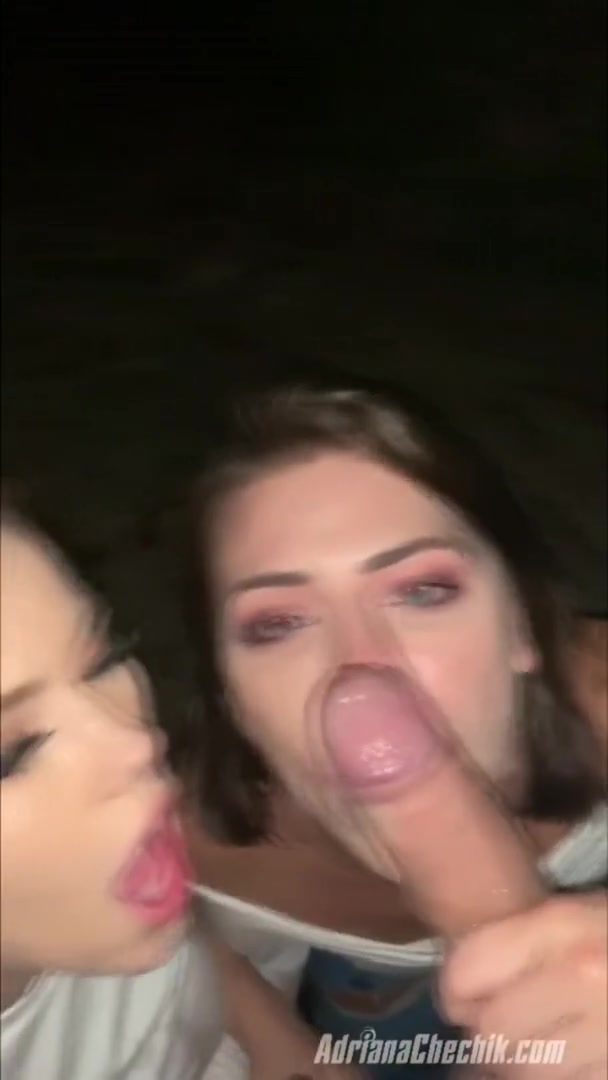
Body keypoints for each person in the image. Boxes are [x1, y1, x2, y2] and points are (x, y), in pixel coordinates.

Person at [173, 378, 607, 1078]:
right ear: (230, 696)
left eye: (422, 591)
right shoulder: (175, 855)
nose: (361, 671)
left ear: (524, 626)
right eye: (277, 624)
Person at [0, 503, 365, 1079]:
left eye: (105, 659)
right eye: (13, 753)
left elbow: (184, 938)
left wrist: (269, 1026)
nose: (138, 743)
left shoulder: (91, 886)